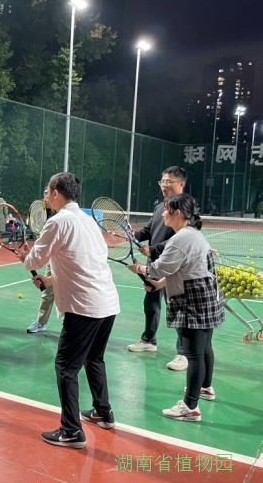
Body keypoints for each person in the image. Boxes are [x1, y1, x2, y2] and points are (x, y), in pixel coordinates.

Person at [18, 172, 120, 449]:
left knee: (65, 367)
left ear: (55, 193)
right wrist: (49, 280)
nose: (45, 195)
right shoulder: (88, 221)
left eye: (47, 191)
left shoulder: (58, 221)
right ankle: (103, 412)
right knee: (94, 358)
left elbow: (34, 260)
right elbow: (83, 262)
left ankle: (72, 430)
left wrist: (25, 257)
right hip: (107, 303)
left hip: (84, 307)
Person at [128, 193, 223, 422]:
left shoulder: (180, 239)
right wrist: (159, 285)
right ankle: (205, 388)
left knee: (194, 354)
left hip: (193, 299)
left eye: (166, 210)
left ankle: (190, 407)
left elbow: (160, 268)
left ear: (177, 213)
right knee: (204, 347)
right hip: (206, 294)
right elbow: (182, 269)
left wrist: (140, 269)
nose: (162, 214)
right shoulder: (194, 234)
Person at [127, 166, 189, 372]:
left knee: (177, 309)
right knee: (151, 303)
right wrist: (132, 235)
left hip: (174, 266)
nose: (164, 185)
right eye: (162, 181)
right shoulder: (160, 206)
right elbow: (149, 229)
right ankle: (149, 340)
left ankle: (184, 353)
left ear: (181, 183)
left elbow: (183, 237)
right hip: (155, 265)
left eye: (169, 181)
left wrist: (153, 248)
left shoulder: (186, 207)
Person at [26, 191, 56, 334]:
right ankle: (41, 322)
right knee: (48, 292)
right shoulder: (42, 212)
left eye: (48, 193)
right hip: (53, 260)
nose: (45, 197)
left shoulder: (60, 216)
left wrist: (29, 258)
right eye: (44, 194)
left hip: (65, 260)